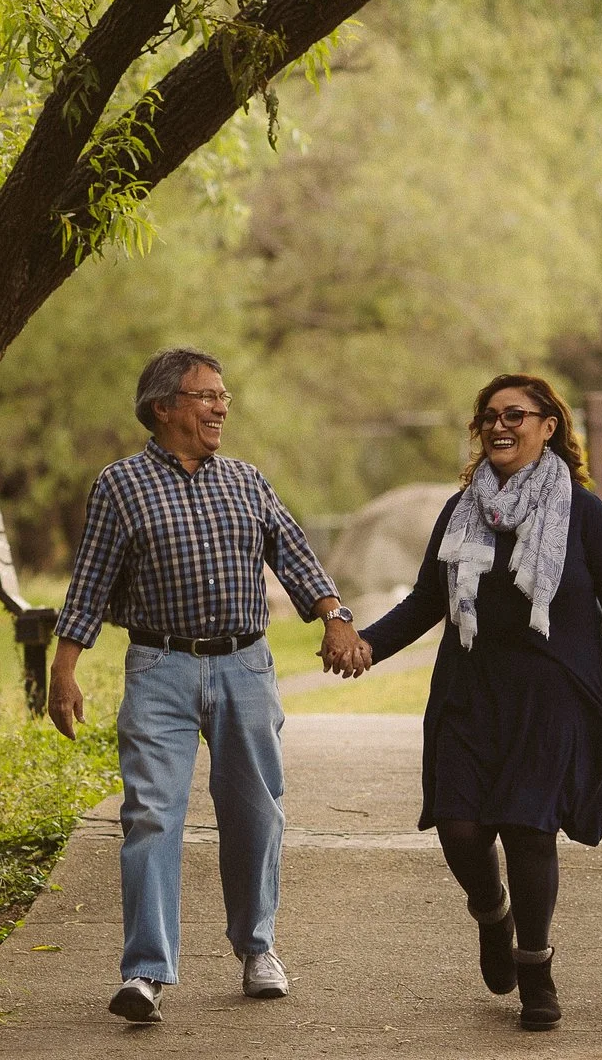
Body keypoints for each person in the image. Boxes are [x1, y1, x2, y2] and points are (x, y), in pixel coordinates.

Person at [48, 347, 367, 1025]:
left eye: (225, 396)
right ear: (163, 407)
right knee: (151, 813)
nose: (221, 407)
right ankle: (145, 971)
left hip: (243, 664)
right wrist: (64, 668)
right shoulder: (120, 485)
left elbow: (298, 557)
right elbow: (90, 584)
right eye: (206, 395)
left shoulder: (248, 481)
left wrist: (335, 617)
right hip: (159, 667)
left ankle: (257, 949)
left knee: (255, 810)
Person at [349, 374, 602, 1031]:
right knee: (460, 826)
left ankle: (536, 968)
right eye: (487, 416)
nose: (498, 424)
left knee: (530, 829)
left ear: (548, 426)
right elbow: (428, 598)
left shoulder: (582, 509)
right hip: (469, 691)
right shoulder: (462, 511)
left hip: (552, 695)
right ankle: (491, 911)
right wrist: (365, 645)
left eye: (515, 413)